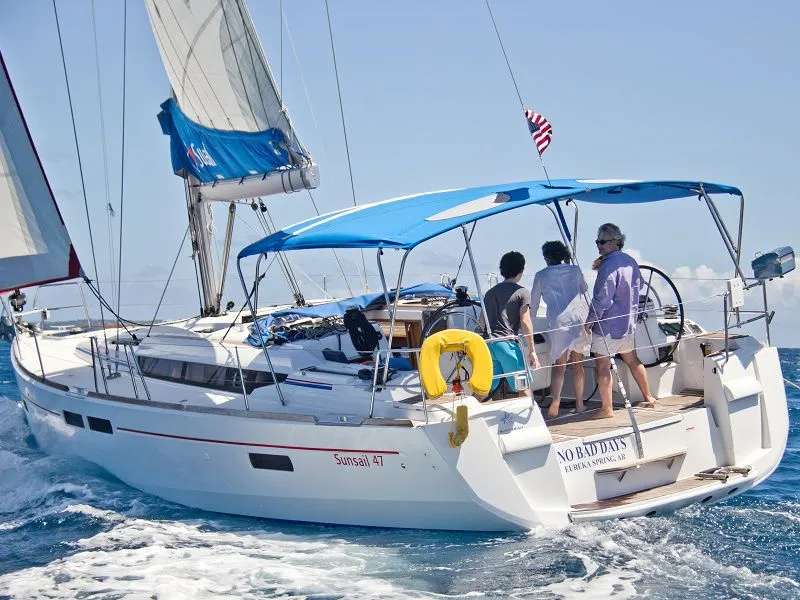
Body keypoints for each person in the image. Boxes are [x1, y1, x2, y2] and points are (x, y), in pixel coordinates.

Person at [585, 223, 657, 418]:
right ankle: (649, 397)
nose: (598, 246)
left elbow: (603, 298)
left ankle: (607, 409)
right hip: (627, 324)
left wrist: (590, 320)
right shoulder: (630, 261)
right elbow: (640, 284)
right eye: (597, 242)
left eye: (602, 242)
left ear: (615, 242)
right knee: (633, 360)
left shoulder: (608, 266)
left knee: (602, 366)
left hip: (607, 325)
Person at [531, 241, 591, 419]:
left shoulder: (541, 275)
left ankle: (556, 399)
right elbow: (585, 289)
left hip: (558, 321)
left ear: (547, 257)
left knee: (560, 365)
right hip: (578, 318)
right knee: (578, 363)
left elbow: (534, 303)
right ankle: (579, 404)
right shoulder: (575, 270)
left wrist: (529, 324)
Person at [481, 251, 539, 398]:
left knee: (483, 390)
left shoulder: (490, 293)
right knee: (524, 387)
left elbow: (481, 321)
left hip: (488, 344)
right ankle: (530, 414)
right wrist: (532, 351)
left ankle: (468, 411)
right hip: (507, 344)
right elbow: (525, 321)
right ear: (521, 270)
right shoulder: (522, 292)